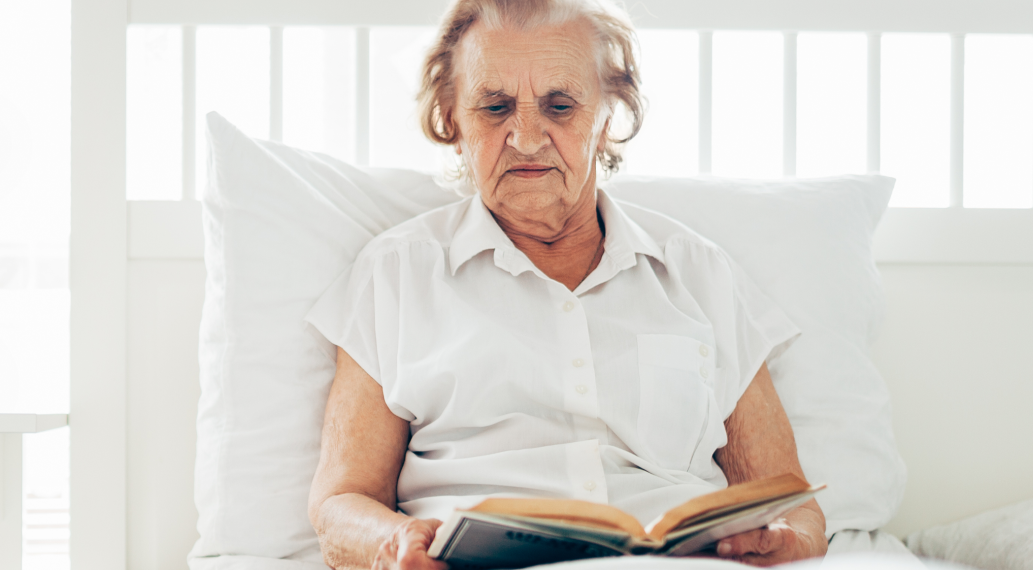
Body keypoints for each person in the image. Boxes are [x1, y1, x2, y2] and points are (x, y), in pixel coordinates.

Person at [302, 0, 829, 567]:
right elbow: (341, 500)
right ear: (452, 118)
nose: (527, 138)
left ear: (608, 117)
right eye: (495, 106)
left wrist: (787, 539)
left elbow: (792, 500)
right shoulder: (395, 273)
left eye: (560, 106)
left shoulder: (698, 272)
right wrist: (391, 546)